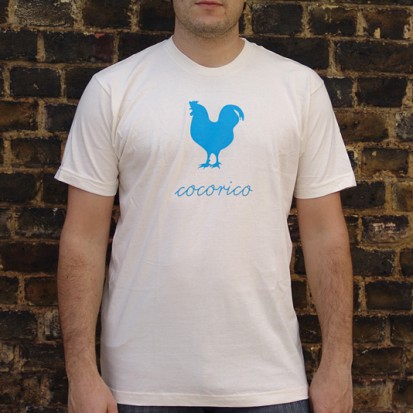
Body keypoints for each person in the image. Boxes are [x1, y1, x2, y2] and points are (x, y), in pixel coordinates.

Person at [55, 1, 356, 412]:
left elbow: (325, 235)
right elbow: (83, 238)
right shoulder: (113, 89)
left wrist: (338, 365)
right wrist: (81, 373)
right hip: (139, 384)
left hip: (268, 382)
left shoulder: (299, 88)